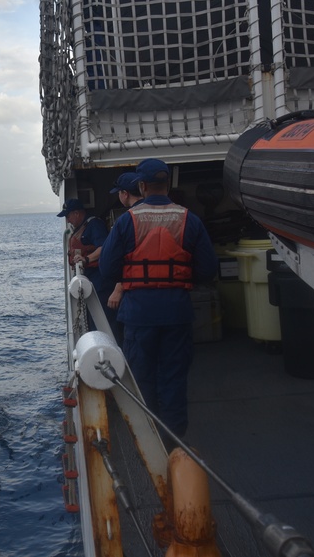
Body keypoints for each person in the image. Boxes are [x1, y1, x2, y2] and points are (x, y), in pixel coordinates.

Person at [99, 158, 217, 443]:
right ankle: (174, 442)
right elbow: (207, 270)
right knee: (173, 379)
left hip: (139, 315)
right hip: (177, 312)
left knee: (142, 379)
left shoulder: (127, 221)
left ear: (141, 185)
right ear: (169, 184)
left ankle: (148, 440)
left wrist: (132, 278)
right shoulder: (190, 219)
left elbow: (107, 269)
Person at [57, 198, 113, 333]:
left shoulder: (94, 225)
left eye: (68, 216)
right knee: (91, 319)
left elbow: (104, 247)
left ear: (76, 213)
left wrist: (86, 259)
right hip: (89, 279)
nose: (68, 220)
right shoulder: (80, 228)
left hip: (100, 280)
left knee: (102, 318)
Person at [105, 172, 143, 344]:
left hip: (136, 299)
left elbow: (108, 265)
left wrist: (118, 288)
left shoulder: (125, 220)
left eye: (119, 192)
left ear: (125, 194)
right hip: (174, 299)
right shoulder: (178, 215)